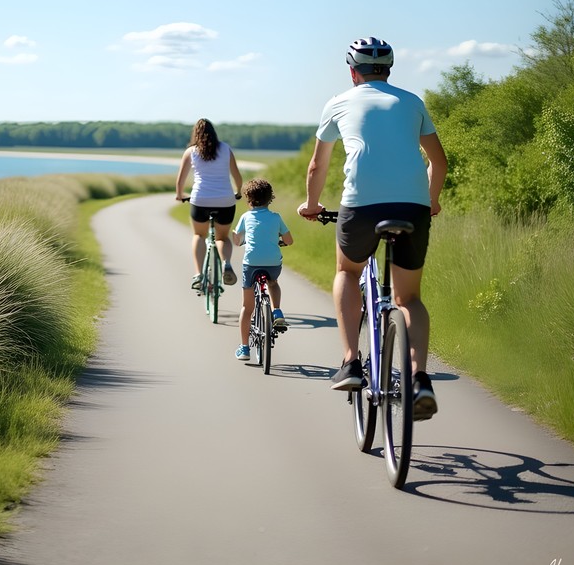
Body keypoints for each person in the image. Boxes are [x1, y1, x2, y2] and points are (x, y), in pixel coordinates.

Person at [297, 37, 447, 421]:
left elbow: (317, 166)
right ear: (389, 70)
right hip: (412, 207)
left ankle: (351, 362)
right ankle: (419, 379)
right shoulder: (412, 102)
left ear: (353, 72)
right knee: (408, 299)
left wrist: (312, 205)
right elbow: (439, 162)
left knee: (347, 271)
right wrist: (430, 201)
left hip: (361, 206)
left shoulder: (338, 103)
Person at [175, 118, 243, 290]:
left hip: (201, 200)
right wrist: (238, 191)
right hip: (225, 201)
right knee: (222, 238)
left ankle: (199, 274)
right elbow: (236, 175)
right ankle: (226, 264)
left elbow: (180, 181)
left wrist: (180, 195)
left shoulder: (191, 151)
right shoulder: (226, 149)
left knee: (199, 235)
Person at [232, 178, 294, 361]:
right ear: (270, 198)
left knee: (247, 307)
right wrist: (279, 241)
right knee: (273, 283)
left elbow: (236, 239)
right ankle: (277, 311)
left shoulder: (246, 217)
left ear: (248, 200)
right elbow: (289, 240)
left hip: (251, 263)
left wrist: (241, 240)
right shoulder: (276, 217)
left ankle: (244, 349)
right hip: (272, 263)